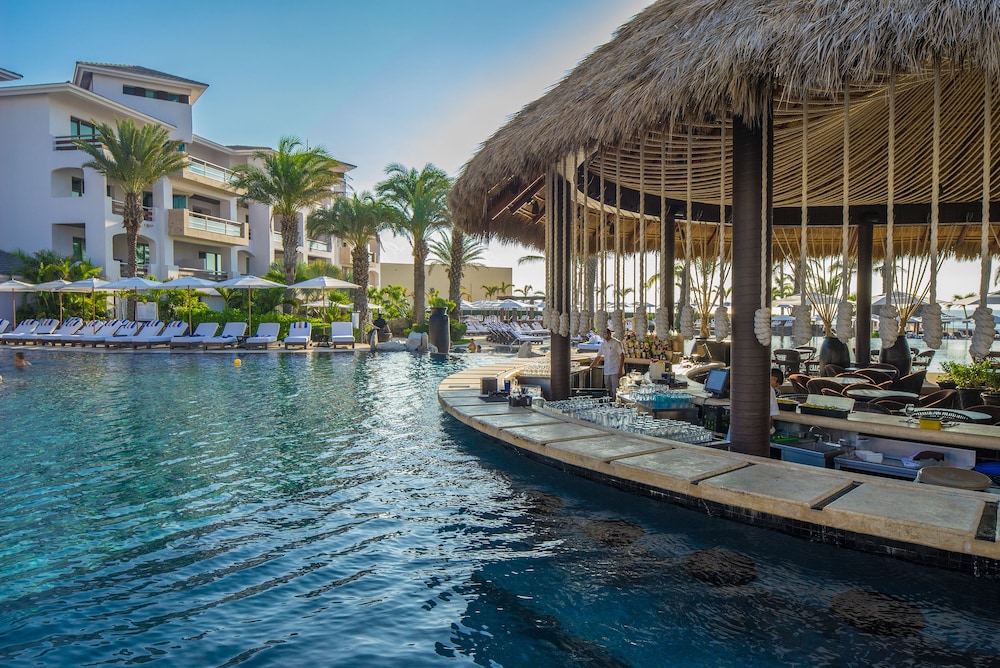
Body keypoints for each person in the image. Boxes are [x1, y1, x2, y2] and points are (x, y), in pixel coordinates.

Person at [587, 327, 625, 400]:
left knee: (615, 390)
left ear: (609, 334)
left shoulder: (616, 342)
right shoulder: (603, 344)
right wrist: (590, 367)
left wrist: (620, 370)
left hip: (615, 370)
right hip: (607, 370)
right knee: (607, 389)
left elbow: (622, 356)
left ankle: (616, 404)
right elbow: (598, 356)